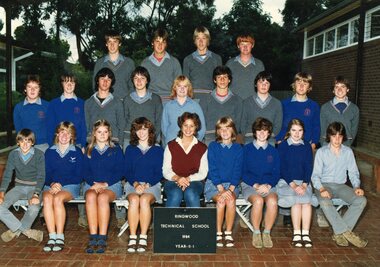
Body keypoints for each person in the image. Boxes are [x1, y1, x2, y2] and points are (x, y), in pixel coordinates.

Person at [311, 122, 367, 248]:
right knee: (325, 202)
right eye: (334, 136)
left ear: (343, 137)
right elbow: (315, 176)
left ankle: (340, 233)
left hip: (341, 185)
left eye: (340, 136)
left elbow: (353, 172)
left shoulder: (348, 152)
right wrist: (321, 188)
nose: (337, 139)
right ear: (329, 136)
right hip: (324, 185)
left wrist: (357, 187)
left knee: (361, 200)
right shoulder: (321, 152)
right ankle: (346, 232)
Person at [276, 72, 320, 227]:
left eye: (305, 83)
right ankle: (287, 213)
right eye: (299, 82)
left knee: (303, 173)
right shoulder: (285, 104)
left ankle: (304, 206)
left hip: (305, 147)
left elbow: (316, 126)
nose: (301, 85)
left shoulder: (314, 106)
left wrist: (313, 142)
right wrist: (279, 139)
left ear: (309, 87)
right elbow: (281, 124)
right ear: (294, 85)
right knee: (287, 172)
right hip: (288, 144)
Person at [84, 67, 126, 227]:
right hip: (93, 145)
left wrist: (119, 144)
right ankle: (86, 216)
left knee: (114, 178)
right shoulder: (89, 102)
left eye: (109, 79)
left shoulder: (117, 102)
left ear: (112, 83)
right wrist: (86, 144)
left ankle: (120, 215)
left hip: (112, 144)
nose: (105, 81)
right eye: (102, 78)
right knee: (89, 180)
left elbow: (121, 125)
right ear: (97, 81)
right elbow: (86, 124)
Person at [83, 120, 124, 253]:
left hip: (112, 185)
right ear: (94, 133)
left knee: (102, 198)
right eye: (99, 132)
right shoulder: (88, 149)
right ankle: (93, 235)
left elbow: (120, 171)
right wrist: (94, 184)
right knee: (90, 196)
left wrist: (105, 184)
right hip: (92, 184)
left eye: (105, 132)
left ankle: (102, 236)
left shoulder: (116, 149)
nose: (102, 134)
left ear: (109, 133)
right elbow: (84, 171)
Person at [124, 117, 163, 253]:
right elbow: (126, 170)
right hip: (132, 184)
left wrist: (147, 184)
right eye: (138, 130)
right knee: (134, 199)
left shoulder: (158, 149)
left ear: (150, 130)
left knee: (145, 199)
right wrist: (135, 184)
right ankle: (133, 236)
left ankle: (143, 236)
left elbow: (160, 172)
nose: (141, 132)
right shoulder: (130, 149)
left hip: (152, 184)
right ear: (134, 132)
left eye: (144, 129)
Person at [43, 122, 83, 252]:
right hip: (51, 185)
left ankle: (60, 236)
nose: (64, 135)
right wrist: (52, 184)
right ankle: (52, 236)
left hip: (70, 185)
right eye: (62, 132)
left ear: (72, 136)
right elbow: (45, 174)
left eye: (68, 133)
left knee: (58, 198)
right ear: (57, 134)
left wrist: (60, 183)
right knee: (48, 198)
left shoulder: (76, 151)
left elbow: (79, 175)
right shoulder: (49, 152)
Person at [0, 129, 45, 243]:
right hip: (19, 187)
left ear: (32, 142)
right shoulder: (13, 154)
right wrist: (1, 193)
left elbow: (41, 176)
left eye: (28, 141)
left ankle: (15, 231)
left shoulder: (39, 154)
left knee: (34, 207)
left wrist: (36, 194)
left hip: (35, 187)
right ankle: (26, 231)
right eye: (22, 141)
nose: (25, 144)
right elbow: (7, 175)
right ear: (18, 142)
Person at [241, 117, 280, 249]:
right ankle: (256, 232)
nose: (262, 133)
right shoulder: (246, 150)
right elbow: (243, 172)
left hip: (269, 184)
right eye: (259, 130)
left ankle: (267, 233)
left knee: (272, 201)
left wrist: (268, 185)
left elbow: (277, 173)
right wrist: (256, 185)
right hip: (250, 184)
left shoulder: (274, 151)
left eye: (265, 131)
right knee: (258, 201)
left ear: (269, 133)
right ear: (254, 132)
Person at [205, 117, 243, 248]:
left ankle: (228, 232)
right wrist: (221, 189)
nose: (224, 131)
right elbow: (213, 168)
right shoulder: (213, 146)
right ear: (217, 132)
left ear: (232, 130)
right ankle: (218, 233)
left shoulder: (238, 148)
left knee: (230, 200)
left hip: (232, 185)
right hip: (214, 184)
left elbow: (238, 171)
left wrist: (230, 189)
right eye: (221, 129)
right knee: (221, 201)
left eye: (227, 128)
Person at [277, 119, 315, 248]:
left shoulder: (306, 146)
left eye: (300, 131)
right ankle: (297, 233)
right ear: (289, 131)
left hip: (303, 181)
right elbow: (282, 168)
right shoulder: (283, 146)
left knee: (306, 202)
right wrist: (293, 185)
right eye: (294, 130)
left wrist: (305, 184)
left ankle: (306, 233)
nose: (297, 134)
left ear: (303, 132)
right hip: (286, 182)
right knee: (298, 201)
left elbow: (308, 167)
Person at [163, 112, 208, 207]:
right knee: (175, 194)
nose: (188, 129)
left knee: (190, 193)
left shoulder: (202, 148)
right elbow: (166, 170)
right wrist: (178, 178)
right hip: (172, 181)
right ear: (181, 126)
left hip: (195, 181)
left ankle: (195, 222)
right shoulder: (171, 145)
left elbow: (203, 173)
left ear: (196, 127)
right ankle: (170, 222)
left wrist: (187, 179)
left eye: (191, 126)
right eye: (185, 125)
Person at [200, 66, 243, 145]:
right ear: (214, 80)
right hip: (210, 139)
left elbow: (238, 124)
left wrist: (230, 136)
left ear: (229, 80)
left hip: (230, 139)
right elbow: (202, 122)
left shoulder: (238, 100)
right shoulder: (205, 99)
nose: (222, 80)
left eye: (225, 77)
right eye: (219, 77)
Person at [123, 66, 162, 148]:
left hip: (150, 139)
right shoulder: (127, 99)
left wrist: (154, 138)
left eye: (142, 78)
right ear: (132, 81)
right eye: (136, 78)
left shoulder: (155, 99)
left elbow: (159, 120)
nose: (139, 81)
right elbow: (124, 120)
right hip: (130, 140)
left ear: (147, 80)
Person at [161, 75, 206, 146]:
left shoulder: (195, 106)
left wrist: (194, 144)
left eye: (185, 86)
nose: (182, 89)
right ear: (175, 88)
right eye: (179, 86)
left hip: (190, 146)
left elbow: (202, 129)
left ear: (189, 88)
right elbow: (164, 128)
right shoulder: (168, 106)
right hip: (172, 145)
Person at [141, 28, 182, 103]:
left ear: (166, 44)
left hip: (170, 101)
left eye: (163, 42)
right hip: (151, 101)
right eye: (157, 41)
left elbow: (179, 86)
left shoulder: (174, 62)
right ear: (152, 43)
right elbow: (141, 87)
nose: (160, 45)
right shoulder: (145, 63)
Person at [183, 26, 222, 103]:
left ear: (208, 40)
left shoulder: (216, 59)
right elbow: (185, 84)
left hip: (211, 99)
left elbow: (220, 82)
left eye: (203, 38)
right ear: (194, 41)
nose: (201, 42)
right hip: (193, 99)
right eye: (198, 38)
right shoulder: (188, 59)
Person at [241, 71, 282, 145]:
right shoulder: (246, 102)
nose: (264, 85)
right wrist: (252, 135)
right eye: (261, 82)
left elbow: (278, 125)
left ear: (270, 86)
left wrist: (266, 136)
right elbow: (242, 124)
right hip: (250, 139)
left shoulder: (277, 103)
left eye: (267, 83)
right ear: (256, 84)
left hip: (269, 140)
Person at [47, 73, 87, 149]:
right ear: (62, 84)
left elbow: (84, 127)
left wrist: (83, 145)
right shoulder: (53, 104)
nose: (69, 85)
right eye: (66, 82)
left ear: (75, 84)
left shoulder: (82, 103)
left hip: (77, 145)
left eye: (72, 82)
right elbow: (50, 127)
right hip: (58, 145)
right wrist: (51, 146)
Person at [93, 30, 135, 100]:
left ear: (119, 43)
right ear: (106, 44)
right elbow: (95, 85)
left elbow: (133, 86)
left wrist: (128, 101)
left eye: (115, 42)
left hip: (124, 104)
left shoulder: (129, 63)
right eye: (109, 42)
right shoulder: (99, 63)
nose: (112, 45)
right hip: (106, 105)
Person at [320, 76, 359, 147]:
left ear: (348, 89)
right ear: (333, 90)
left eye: (343, 86)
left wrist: (348, 143)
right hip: (328, 145)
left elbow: (354, 129)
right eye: (336, 87)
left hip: (346, 144)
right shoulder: (325, 107)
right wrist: (324, 145)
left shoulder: (354, 109)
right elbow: (322, 128)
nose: (339, 89)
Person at [13, 75, 49, 151]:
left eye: (36, 87)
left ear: (39, 90)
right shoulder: (18, 108)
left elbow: (52, 128)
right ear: (25, 89)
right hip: (25, 146)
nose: (32, 90)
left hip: (44, 146)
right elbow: (18, 130)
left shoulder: (48, 106)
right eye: (29, 87)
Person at [226, 34, 265, 100]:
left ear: (252, 45)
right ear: (238, 46)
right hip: (234, 103)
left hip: (253, 103)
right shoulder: (230, 63)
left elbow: (263, 86)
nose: (245, 47)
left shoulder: (259, 64)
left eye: (248, 44)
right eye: (242, 44)